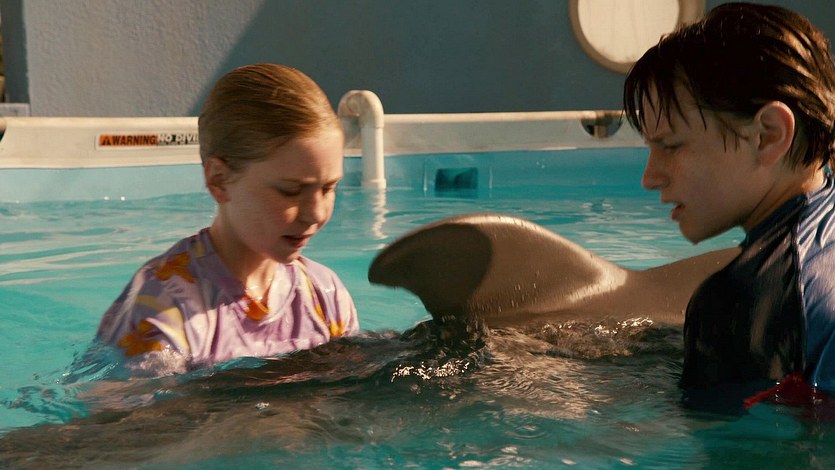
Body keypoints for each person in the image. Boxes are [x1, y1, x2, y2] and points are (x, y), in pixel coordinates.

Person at [623, 3, 835, 409]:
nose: (650, 177)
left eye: (671, 146)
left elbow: (724, 438)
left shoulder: (745, 303)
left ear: (768, 135)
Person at [96, 64, 359, 375]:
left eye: (328, 188)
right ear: (219, 180)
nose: (316, 212)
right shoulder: (166, 303)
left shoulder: (324, 295)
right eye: (290, 191)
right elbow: (132, 406)